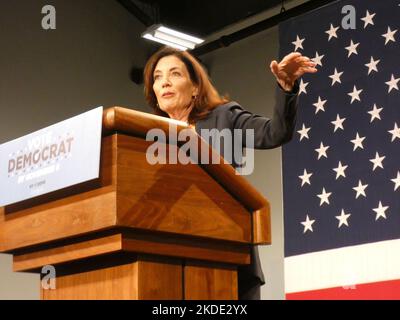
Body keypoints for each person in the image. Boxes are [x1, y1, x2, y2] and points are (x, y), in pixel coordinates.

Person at [143, 46, 317, 299]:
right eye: (157, 77)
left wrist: (286, 87)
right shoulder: (147, 138)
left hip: (227, 255)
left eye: (175, 74)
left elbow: (275, 132)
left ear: (195, 87)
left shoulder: (224, 117)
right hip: (168, 262)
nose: (165, 82)